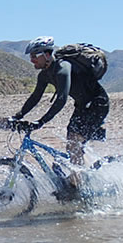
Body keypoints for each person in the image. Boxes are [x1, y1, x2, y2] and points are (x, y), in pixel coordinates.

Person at [8, 35, 110, 172]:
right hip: (82, 106)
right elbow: (35, 97)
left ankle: (81, 185)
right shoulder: (44, 75)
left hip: (98, 104)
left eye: (34, 56)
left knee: (74, 144)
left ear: (47, 54)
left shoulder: (63, 68)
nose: (32, 60)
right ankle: (78, 178)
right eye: (30, 56)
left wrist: (41, 122)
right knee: (72, 146)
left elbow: (62, 98)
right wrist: (18, 116)